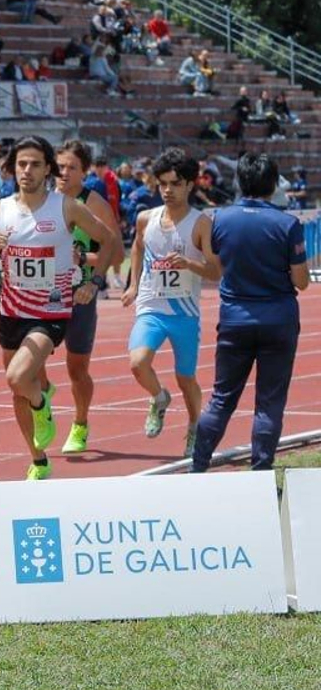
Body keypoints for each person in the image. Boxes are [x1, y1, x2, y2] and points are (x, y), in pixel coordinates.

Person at [0, 136, 116, 480]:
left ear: (47, 169)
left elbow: (110, 238)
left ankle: (42, 405)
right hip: (11, 313)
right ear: (12, 167)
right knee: (17, 389)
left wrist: (93, 282)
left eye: (36, 164)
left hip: (51, 312)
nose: (27, 170)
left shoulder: (66, 206)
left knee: (18, 377)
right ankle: (37, 459)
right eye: (22, 163)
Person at [193, 153, 310, 472]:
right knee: (269, 402)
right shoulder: (288, 224)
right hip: (278, 320)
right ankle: (260, 472)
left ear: (239, 181)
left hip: (234, 319)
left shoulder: (219, 220)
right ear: (273, 185)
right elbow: (302, 281)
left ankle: (197, 466)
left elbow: (216, 269)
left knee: (221, 399)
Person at [118, 147, 216, 457]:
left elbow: (216, 270)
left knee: (186, 378)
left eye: (175, 183)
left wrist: (189, 264)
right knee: (137, 362)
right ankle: (159, 397)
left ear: (190, 184)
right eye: (162, 184)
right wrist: (134, 285)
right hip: (151, 307)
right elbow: (136, 248)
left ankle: (194, 426)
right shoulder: (146, 218)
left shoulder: (201, 223)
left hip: (184, 314)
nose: (168, 190)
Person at [52, 140, 123, 454]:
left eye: (71, 168)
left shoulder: (93, 203)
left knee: (76, 368)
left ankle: (80, 424)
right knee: (26, 360)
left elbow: (116, 252)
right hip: (43, 293)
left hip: (79, 293)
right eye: (60, 167)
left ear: (84, 172)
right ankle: (42, 397)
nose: (64, 173)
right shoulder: (42, 199)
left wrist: (86, 266)